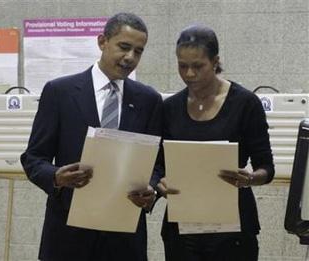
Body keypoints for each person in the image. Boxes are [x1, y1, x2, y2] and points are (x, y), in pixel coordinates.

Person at [21, 12, 163, 261]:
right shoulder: (60, 92)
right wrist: (56, 176)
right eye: (124, 47)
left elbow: (158, 162)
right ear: (102, 42)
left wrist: (152, 189)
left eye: (138, 51)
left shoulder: (149, 100)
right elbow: (33, 158)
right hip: (68, 235)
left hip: (124, 238)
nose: (130, 57)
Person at [157, 24, 275, 261]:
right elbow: (158, 164)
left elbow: (267, 167)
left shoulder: (245, 103)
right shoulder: (169, 108)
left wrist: (250, 178)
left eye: (198, 66)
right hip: (183, 226)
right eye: (182, 66)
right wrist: (160, 183)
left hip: (233, 228)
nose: (189, 73)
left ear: (215, 61)